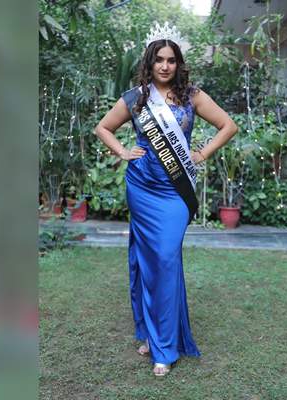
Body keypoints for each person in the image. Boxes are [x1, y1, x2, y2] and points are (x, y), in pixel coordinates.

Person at [95, 21, 238, 377]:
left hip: (175, 191)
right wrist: (123, 152)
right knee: (147, 262)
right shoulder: (136, 98)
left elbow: (229, 126)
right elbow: (103, 128)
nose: (164, 66)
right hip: (142, 187)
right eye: (159, 59)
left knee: (165, 259)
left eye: (171, 60)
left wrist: (201, 154)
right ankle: (153, 334)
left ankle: (164, 342)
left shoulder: (192, 96)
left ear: (178, 63)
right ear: (150, 62)